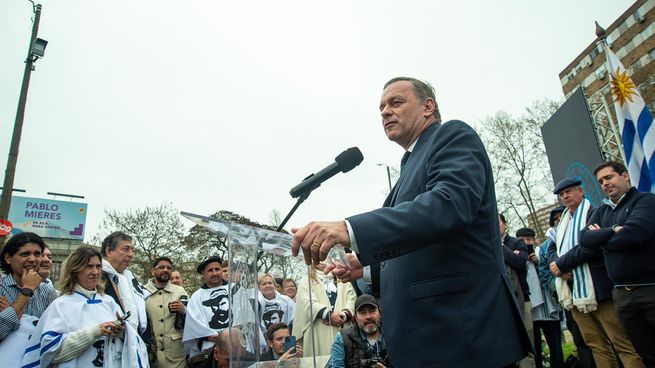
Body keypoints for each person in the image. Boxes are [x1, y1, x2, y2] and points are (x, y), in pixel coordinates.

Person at [291, 77, 530, 366]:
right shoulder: (408, 164)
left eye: (396, 102)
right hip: (424, 341)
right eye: (381, 108)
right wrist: (364, 269)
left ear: (428, 106)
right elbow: (416, 247)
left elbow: (448, 206)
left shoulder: (453, 136)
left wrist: (349, 228)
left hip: (460, 335)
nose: (385, 112)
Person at [548, 178, 643, 368]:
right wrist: (556, 266)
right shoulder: (562, 222)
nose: (565, 196)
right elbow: (552, 248)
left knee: (622, 343)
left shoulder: (597, 212)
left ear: (581, 192)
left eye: (568, 192)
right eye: (562, 194)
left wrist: (562, 264)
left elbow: (590, 246)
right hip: (574, 293)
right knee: (595, 345)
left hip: (599, 289)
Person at [20, 246, 148, 367]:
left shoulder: (109, 302)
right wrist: (94, 332)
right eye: (89, 266)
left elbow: (131, 343)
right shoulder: (60, 305)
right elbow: (50, 353)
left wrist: (122, 332)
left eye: (98, 267)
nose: (95, 272)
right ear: (75, 270)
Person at [580, 161, 655, 366]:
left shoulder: (645, 201)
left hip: (649, 289)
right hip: (622, 294)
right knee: (646, 354)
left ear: (625, 176)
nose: (605, 184)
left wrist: (602, 239)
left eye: (609, 177)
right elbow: (585, 240)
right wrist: (614, 230)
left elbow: (634, 234)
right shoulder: (602, 211)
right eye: (601, 181)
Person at [0, 232, 58, 367]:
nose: (33, 259)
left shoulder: (48, 291)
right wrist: (27, 290)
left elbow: (54, 333)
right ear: (8, 258)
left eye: (37, 254)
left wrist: (10, 312)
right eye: (25, 254)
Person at [517, 227, 564, 368]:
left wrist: (538, 262)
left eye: (529, 239)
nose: (526, 243)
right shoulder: (517, 256)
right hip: (532, 309)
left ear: (534, 240)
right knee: (535, 347)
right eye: (522, 240)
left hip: (549, 307)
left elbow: (550, 272)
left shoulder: (541, 252)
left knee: (555, 345)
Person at [292, 264, 356, 357]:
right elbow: (306, 303)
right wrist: (328, 315)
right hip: (318, 330)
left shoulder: (343, 279)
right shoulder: (306, 281)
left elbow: (352, 298)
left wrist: (343, 316)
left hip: (343, 328)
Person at [144, 256, 188, 368]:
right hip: (152, 356)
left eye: (169, 268)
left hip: (176, 356)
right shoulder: (142, 292)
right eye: (161, 267)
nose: (165, 270)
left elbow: (193, 318)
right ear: (153, 271)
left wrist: (184, 311)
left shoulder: (180, 291)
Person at [100, 231, 148, 335]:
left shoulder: (130, 278)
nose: (131, 254)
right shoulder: (96, 277)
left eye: (132, 250)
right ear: (108, 251)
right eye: (126, 249)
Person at [183, 256, 230, 356]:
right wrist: (208, 336)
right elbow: (193, 325)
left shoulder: (235, 290)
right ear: (203, 274)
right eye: (210, 270)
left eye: (217, 269)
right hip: (210, 350)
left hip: (235, 347)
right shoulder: (196, 297)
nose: (215, 273)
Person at [331, 294, 391, 368]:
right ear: (355, 317)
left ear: (380, 313)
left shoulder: (393, 335)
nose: (368, 317)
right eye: (362, 313)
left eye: (372, 311)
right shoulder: (342, 339)